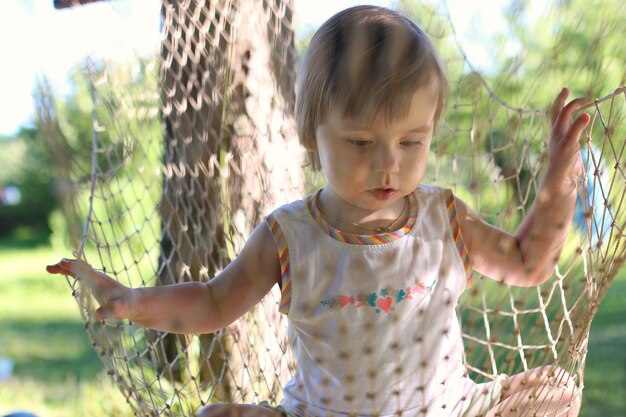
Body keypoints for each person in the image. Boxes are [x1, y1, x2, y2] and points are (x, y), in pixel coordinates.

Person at [47, 6, 590, 417]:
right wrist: (132, 301)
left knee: (555, 392)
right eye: (359, 142)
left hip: (447, 408)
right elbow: (212, 302)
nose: (388, 165)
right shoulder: (290, 235)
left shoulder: (442, 217)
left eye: (411, 142)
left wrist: (560, 176)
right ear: (312, 135)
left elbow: (528, 262)